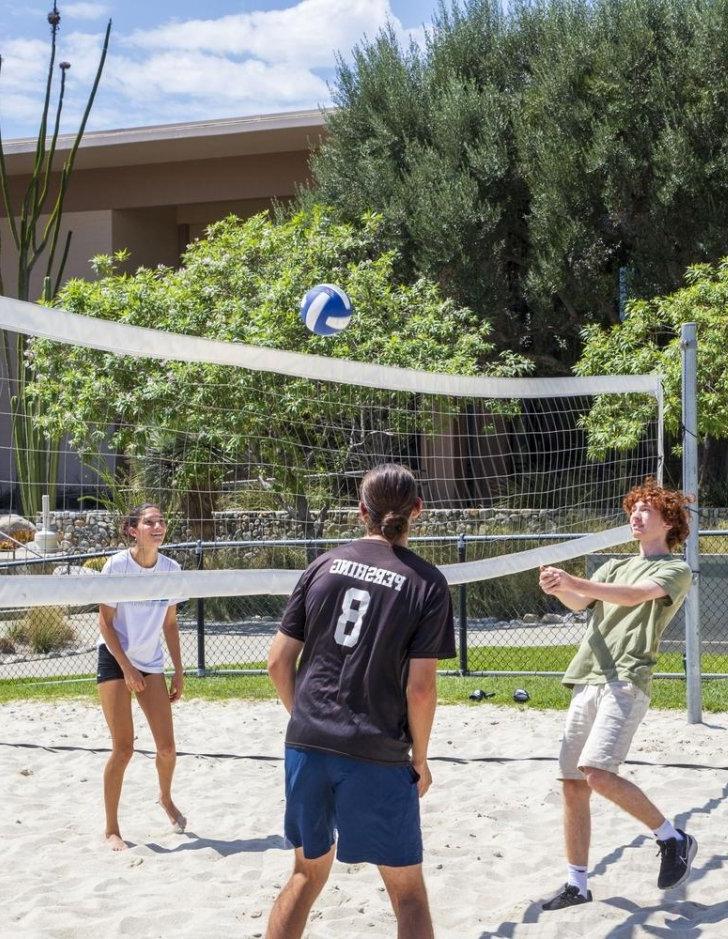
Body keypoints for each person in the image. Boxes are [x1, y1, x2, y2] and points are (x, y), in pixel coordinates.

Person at [265, 463, 455, 939]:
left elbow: (276, 663)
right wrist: (422, 758)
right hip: (377, 750)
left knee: (306, 875)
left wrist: (306, 716)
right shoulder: (426, 583)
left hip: (308, 743)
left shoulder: (323, 565)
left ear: (360, 512)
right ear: (418, 511)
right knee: (407, 892)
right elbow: (420, 688)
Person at [538, 479, 696, 909]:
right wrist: (560, 586)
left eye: (647, 510)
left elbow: (631, 598)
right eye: (634, 509)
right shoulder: (610, 567)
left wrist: (576, 581)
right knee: (573, 785)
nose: (636, 515)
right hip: (588, 676)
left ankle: (672, 837)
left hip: (626, 679)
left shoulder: (675, 569)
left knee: (596, 770)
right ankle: (578, 884)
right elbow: (580, 603)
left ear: (669, 522)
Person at [96, 503, 186, 851]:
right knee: (123, 749)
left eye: (162, 521)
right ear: (133, 530)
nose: (159, 526)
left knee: (166, 748)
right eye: (150, 522)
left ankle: (164, 798)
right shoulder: (117, 565)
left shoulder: (171, 568)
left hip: (150, 660)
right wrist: (128, 669)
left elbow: (170, 623)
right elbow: (104, 623)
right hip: (115, 656)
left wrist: (178, 670)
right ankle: (112, 829)